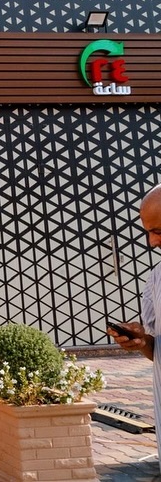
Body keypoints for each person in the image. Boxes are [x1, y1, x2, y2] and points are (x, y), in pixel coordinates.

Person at [109, 183, 161, 474]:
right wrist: (142, 342)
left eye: (159, 231)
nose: (152, 242)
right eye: (149, 232)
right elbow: (157, 352)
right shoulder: (156, 279)